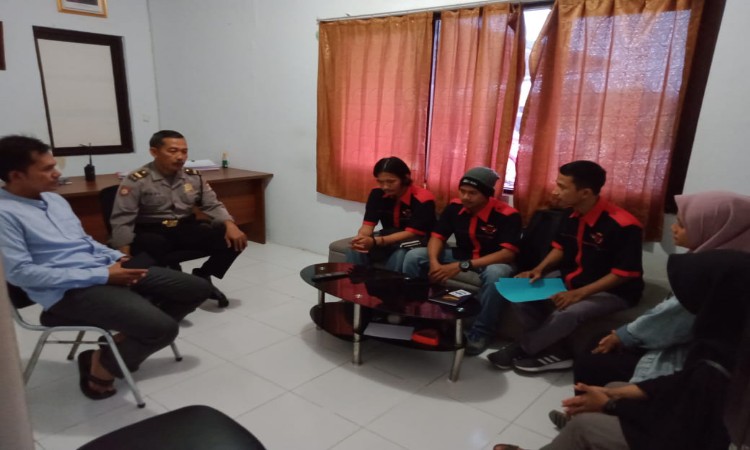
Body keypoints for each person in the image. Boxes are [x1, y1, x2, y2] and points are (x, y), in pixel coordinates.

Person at [0, 135, 211, 400]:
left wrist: (115, 257)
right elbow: (20, 274)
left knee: (197, 289)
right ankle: (102, 368)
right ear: (16, 175)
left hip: (104, 270)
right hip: (67, 292)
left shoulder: (54, 200)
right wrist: (103, 275)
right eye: (47, 168)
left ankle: (124, 340)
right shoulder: (5, 214)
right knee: (163, 329)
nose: (57, 173)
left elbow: (84, 241)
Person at [493, 249, 750, 450]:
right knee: (613, 384)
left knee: (585, 425)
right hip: (678, 418)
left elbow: (679, 420)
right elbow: (679, 386)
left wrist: (610, 405)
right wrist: (615, 393)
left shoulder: (721, 365)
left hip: (680, 439)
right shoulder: (722, 339)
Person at [574, 191, 750, 387]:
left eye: (682, 224)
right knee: (598, 342)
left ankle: (598, 403)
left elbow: (674, 319)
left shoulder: (718, 276)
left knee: (591, 360)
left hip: (694, 358)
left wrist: (624, 336)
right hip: (686, 343)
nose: (673, 228)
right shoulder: (729, 257)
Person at [488, 161, 643, 372]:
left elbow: (623, 274)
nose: (555, 191)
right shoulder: (570, 215)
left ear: (585, 193)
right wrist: (539, 269)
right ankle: (557, 351)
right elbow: (560, 247)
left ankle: (523, 348)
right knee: (520, 291)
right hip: (573, 277)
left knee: (568, 312)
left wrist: (578, 294)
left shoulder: (624, 225)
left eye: (562, 187)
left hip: (614, 290)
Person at [110, 130, 247, 305]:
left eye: (184, 151)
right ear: (154, 152)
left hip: (184, 227)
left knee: (235, 240)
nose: (180, 157)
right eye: (173, 151)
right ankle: (163, 287)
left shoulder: (193, 177)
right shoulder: (137, 180)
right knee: (152, 245)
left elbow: (211, 205)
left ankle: (203, 276)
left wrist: (230, 224)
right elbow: (123, 219)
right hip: (152, 231)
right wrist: (123, 252)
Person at [402, 167, 522, 355]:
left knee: (497, 274)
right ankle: (416, 315)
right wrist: (434, 263)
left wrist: (461, 266)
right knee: (414, 256)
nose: (466, 197)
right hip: (462, 254)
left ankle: (481, 333)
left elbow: (507, 254)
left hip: (492, 260)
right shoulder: (455, 207)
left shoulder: (508, 214)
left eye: (472, 193)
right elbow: (437, 237)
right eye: (463, 191)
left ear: (487, 194)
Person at [346, 156, 436, 272]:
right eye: (380, 182)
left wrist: (376, 241)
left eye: (391, 182)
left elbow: (411, 233)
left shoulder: (423, 198)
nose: (385, 187)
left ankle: (389, 283)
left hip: (419, 239)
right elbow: (367, 226)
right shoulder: (377, 194)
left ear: (405, 178)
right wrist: (362, 239)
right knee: (355, 249)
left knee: (400, 254)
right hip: (389, 235)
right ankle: (356, 282)